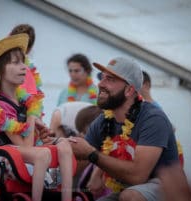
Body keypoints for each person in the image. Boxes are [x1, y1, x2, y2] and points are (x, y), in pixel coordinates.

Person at [0, 33, 73, 201]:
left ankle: (67, 198)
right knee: (42, 155)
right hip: (6, 153)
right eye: (16, 62)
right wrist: (33, 119)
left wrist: (43, 135)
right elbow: (25, 145)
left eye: (23, 62)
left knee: (64, 144)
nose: (24, 67)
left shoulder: (24, 100)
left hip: (25, 148)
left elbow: (32, 137)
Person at [69, 57, 178, 201]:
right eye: (102, 78)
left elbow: (138, 176)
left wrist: (92, 154)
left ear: (129, 90)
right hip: (127, 190)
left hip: (168, 188)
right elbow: (76, 163)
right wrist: (54, 151)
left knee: (131, 196)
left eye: (110, 79)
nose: (100, 83)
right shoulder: (103, 121)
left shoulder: (152, 118)